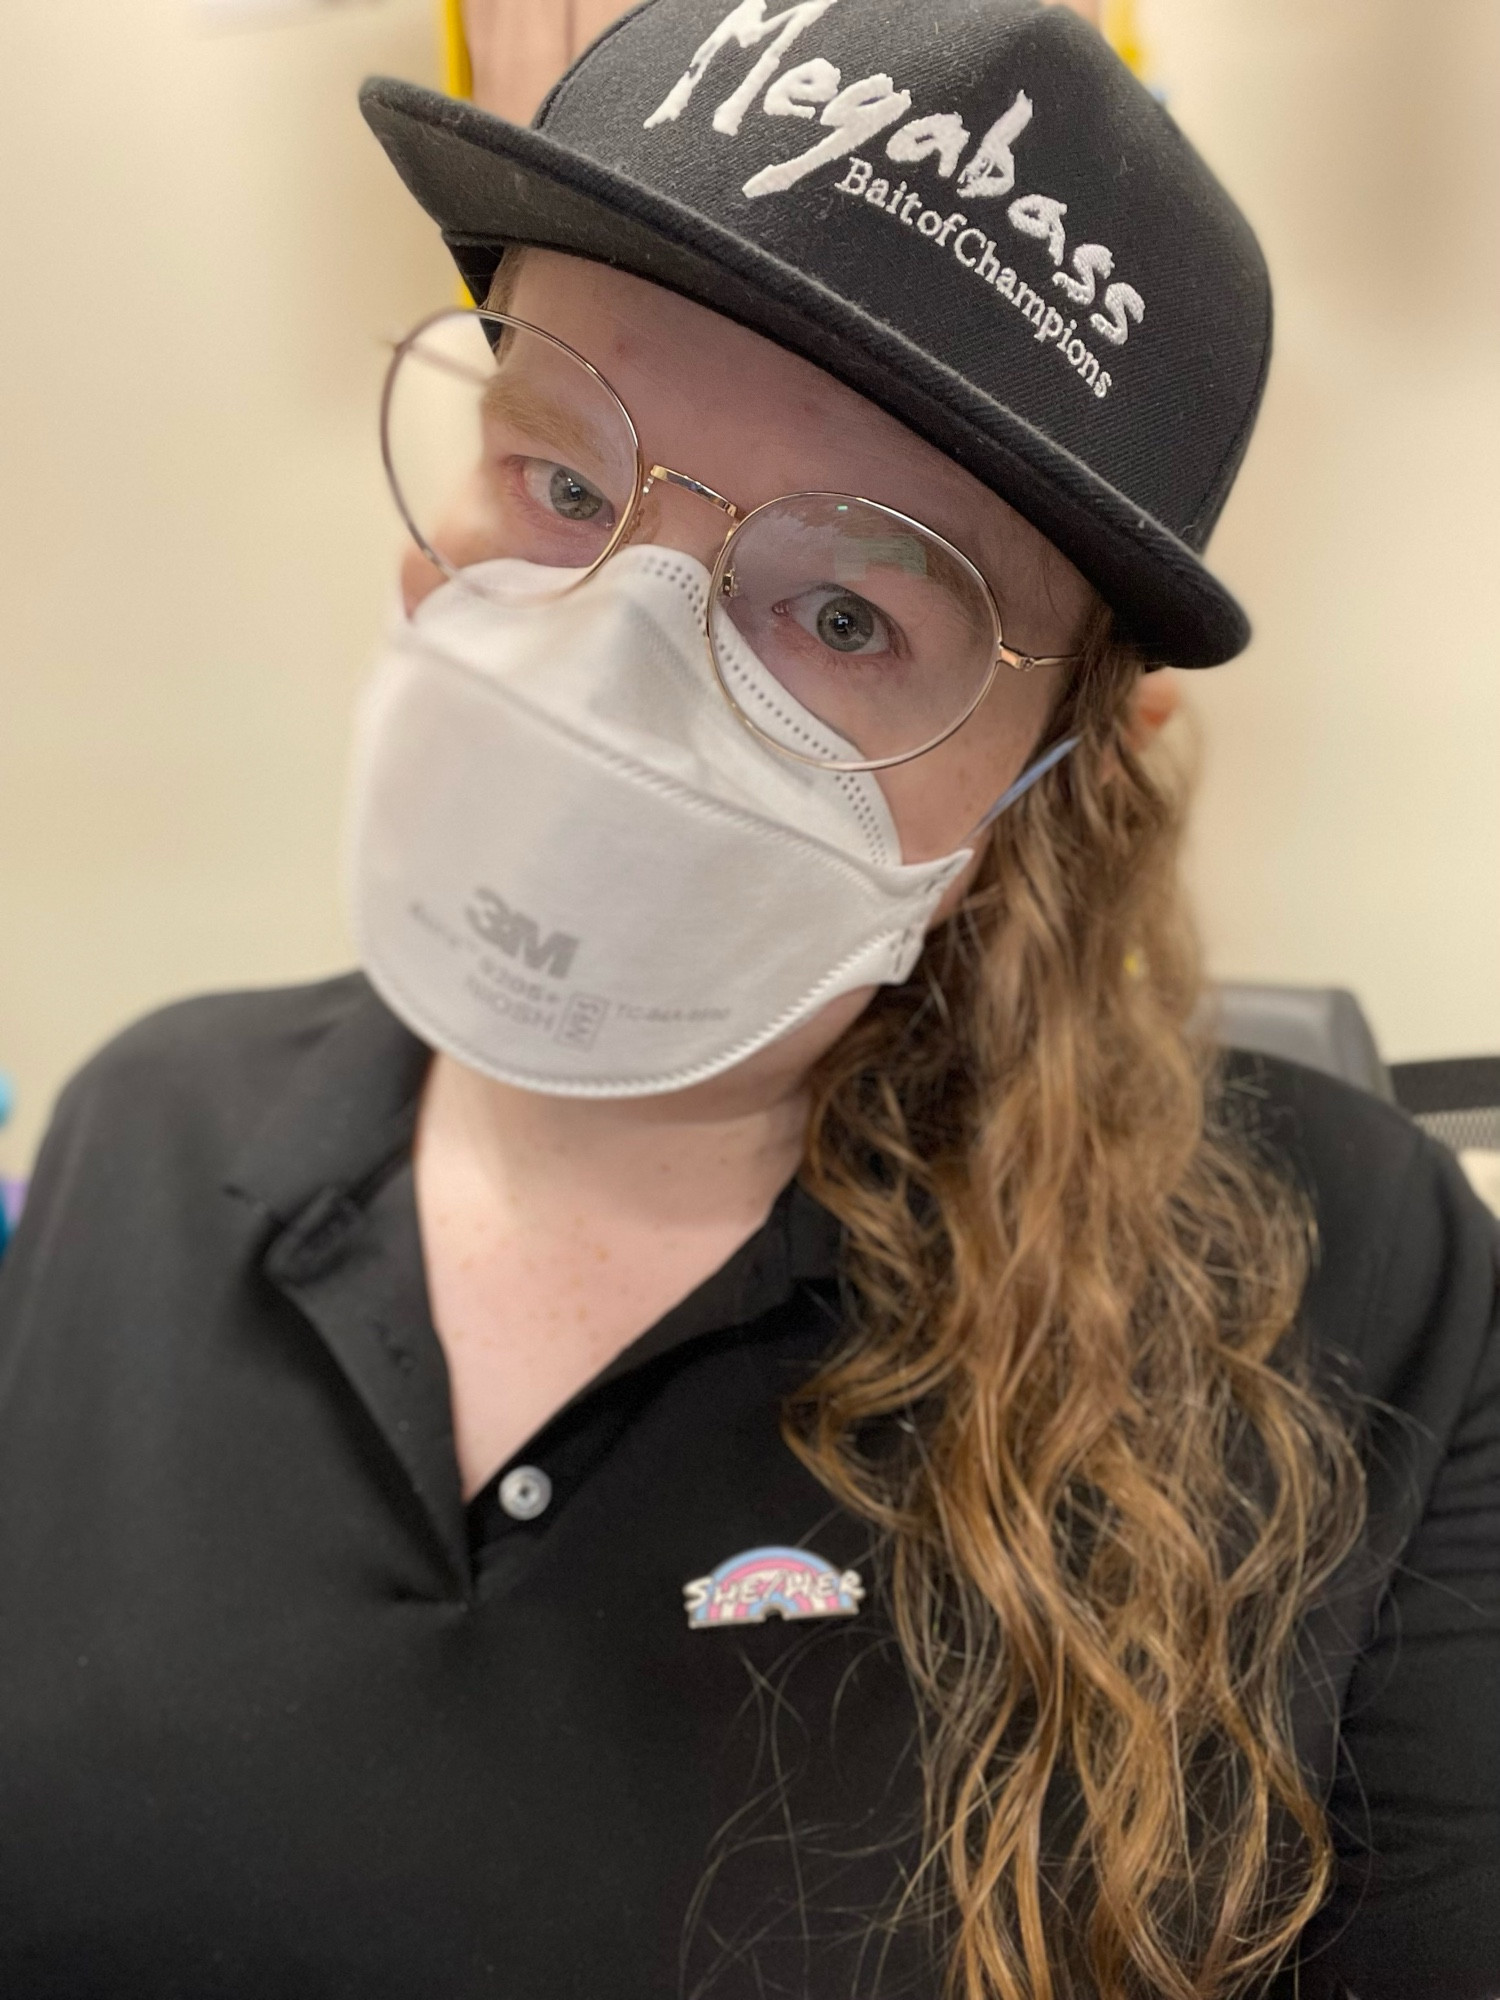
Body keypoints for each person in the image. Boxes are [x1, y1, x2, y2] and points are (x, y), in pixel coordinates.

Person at [0, 3, 1495, 1997]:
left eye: (848, 612)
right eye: (556, 476)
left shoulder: (1345, 1289)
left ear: (1066, 762)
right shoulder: (139, 1131)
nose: (621, 659)